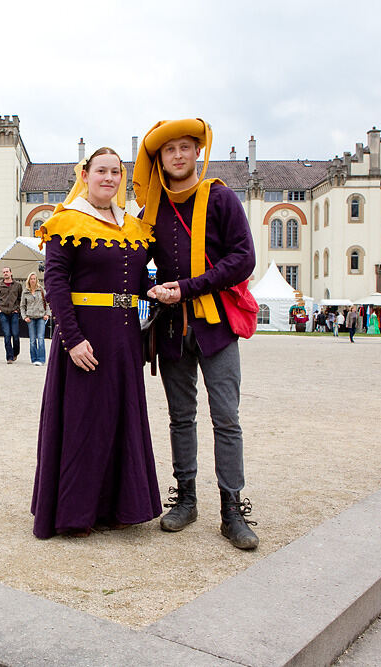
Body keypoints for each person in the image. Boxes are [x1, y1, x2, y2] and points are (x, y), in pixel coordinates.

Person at [134, 118, 259, 550]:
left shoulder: (221, 197)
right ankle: (186, 498)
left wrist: (186, 288)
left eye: (185, 147)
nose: (178, 156)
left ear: (197, 152)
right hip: (171, 329)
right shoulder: (152, 209)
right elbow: (132, 260)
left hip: (216, 325)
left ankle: (231, 508)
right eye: (169, 150)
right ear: (160, 160)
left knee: (226, 418)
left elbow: (244, 258)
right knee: (180, 417)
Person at [31, 147, 161, 539]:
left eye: (116, 172)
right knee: (84, 423)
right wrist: (73, 339)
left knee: (119, 420)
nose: (109, 178)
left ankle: (117, 507)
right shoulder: (67, 221)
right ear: (85, 175)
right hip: (84, 335)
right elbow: (55, 283)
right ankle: (75, 512)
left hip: (123, 338)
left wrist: (161, 292)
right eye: (101, 171)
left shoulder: (133, 226)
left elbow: (139, 283)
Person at [0, 266, 22, 364]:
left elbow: (20, 298)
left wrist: (17, 309)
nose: (5, 273)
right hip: (3, 313)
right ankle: (9, 357)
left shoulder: (17, 285)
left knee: (15, 334)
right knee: (7, 334)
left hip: (14, 312)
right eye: (4, 272)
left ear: (10, 273)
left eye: (7, 271)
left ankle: (15, 352)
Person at [21, 272, 50, 366]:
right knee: (32, 340)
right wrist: (24, 316)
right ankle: (34, 359)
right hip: (30, 318)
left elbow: (47, 302)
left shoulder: (41, 290)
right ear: (28, 280)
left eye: (34, 278)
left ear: (36, 279)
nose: (32, 280)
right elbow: (22, 306)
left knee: (41, 338)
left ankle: (41, 359)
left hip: (41, 317)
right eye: (31, 279)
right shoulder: (25, 292)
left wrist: (47, 314)